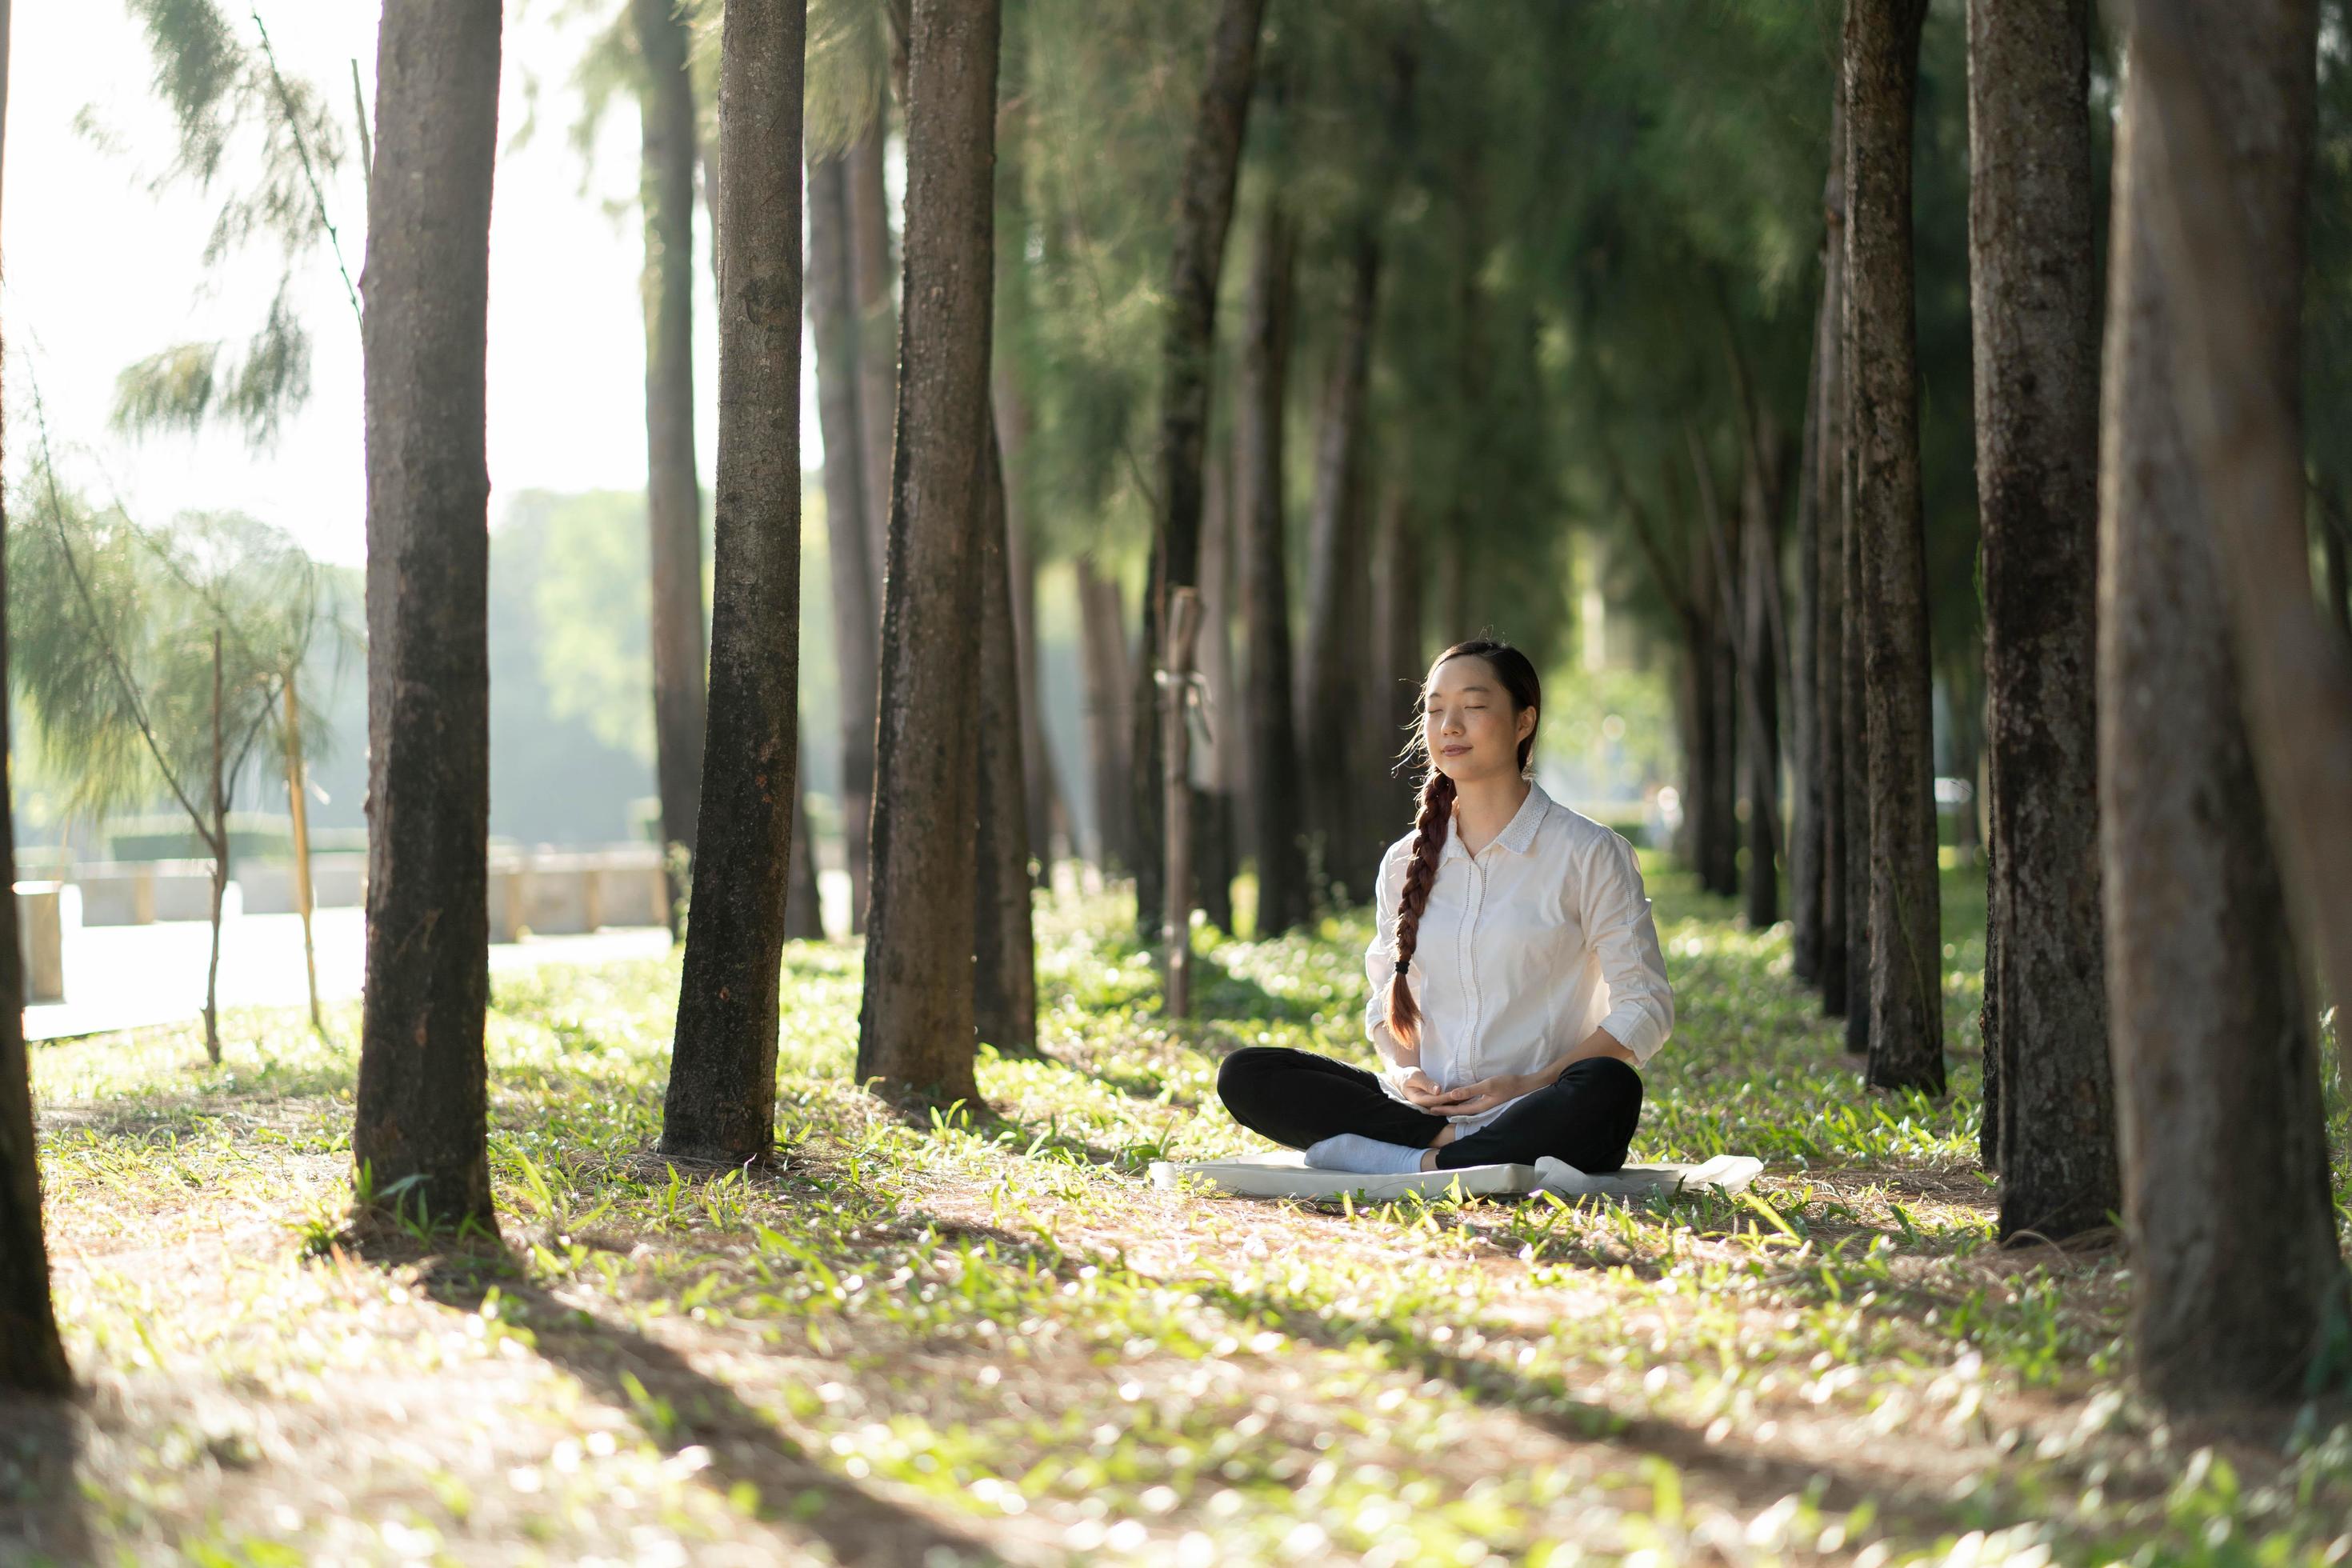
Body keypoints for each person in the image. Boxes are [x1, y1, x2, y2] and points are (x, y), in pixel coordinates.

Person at [1216, 638, 1674, 1175]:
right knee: (1248, 1073)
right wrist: (1408, 1073)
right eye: (1435, 710)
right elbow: (1386, 999)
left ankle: (1412, 1164)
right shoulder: (1403, 861)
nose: (1449, 725)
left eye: (1474, 707)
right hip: (1416, 1111)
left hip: (1538, 1105)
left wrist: (1531, 1083)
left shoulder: (1589, 853)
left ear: (1524, 723)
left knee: (1610, 1088)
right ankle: (1447, 1149)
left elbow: (1645, 1005)